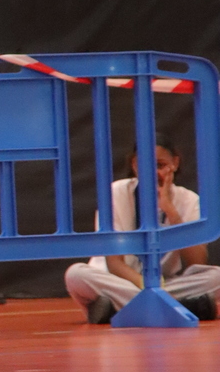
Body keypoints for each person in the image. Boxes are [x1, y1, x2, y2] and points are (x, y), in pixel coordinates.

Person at [65, 133, 220, 323]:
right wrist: (150, 288)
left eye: (160, 165)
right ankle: (180, 306)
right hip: (121, 281)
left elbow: (198, 261)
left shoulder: (190, 200)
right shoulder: (115, 193)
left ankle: (115, 309)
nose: (152, 173)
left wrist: (171, 211)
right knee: (76, 275)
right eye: (145, 166)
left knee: (216, 277)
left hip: (165, 281)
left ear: (175, 163)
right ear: (134, 165)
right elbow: (114, 264)